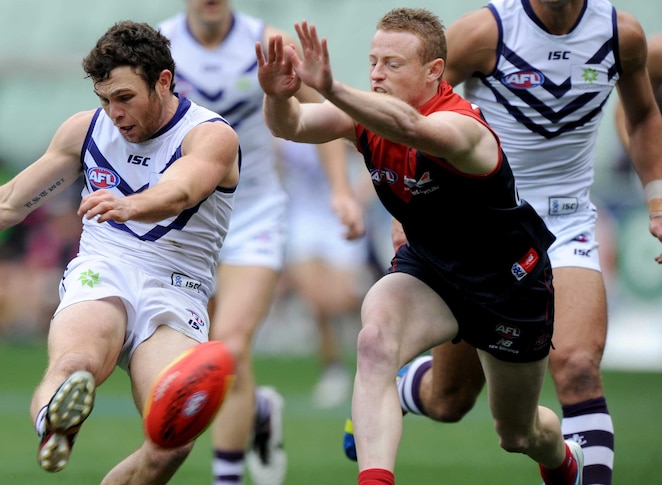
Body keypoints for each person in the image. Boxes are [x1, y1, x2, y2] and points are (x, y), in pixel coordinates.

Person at [0, 20, 241, 484]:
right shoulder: (85, 132)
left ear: (163, 81)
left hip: (177, 289)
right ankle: (55, 419)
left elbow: (181, 190)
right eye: (104, 99)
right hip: (105, 270)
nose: (114, 112)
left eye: (125, 98)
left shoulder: (210, 135)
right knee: (76, 363)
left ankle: (62, 416)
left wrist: (131, 204)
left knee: (171, 439)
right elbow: (9, 203)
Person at [258, 9, 585, 485]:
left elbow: (411, 129)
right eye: (372, 61)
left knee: (517, 432)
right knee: (373, 342)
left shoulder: (464, 126)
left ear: (434, 71)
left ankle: (565, 460)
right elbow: (291, 125)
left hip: (507, 284)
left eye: (392, 64)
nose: (375, 73)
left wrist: (332, 88)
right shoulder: (366, 112)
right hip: (431, 269)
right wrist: (276, 94)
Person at [343, 3, 662, 484]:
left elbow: (642, 117)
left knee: (576, 367)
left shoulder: (622, 35)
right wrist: (410, 209)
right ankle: (409, 388)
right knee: (448, 400)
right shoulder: (485, 31)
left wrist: (656, 199)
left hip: (565, 222)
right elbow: (411, 113)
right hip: (477, 233)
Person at [158, 3, 364, 484]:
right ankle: (258, 414)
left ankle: (225, 478)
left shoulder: (266, 41)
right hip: (185, 218)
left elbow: (323, 111)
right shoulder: (158, 46)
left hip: (252, 214)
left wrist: (339, 190)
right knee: (197, 351)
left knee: (228, 346)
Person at [275, 139, 372, 409]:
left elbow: (371, 157)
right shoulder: (282, 123)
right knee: (318, 302)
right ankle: (334, 371)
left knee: (342, 300)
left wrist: (359, 196)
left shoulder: (335, 118)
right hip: (303, 218)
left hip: (339, 215)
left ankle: (373, 357)